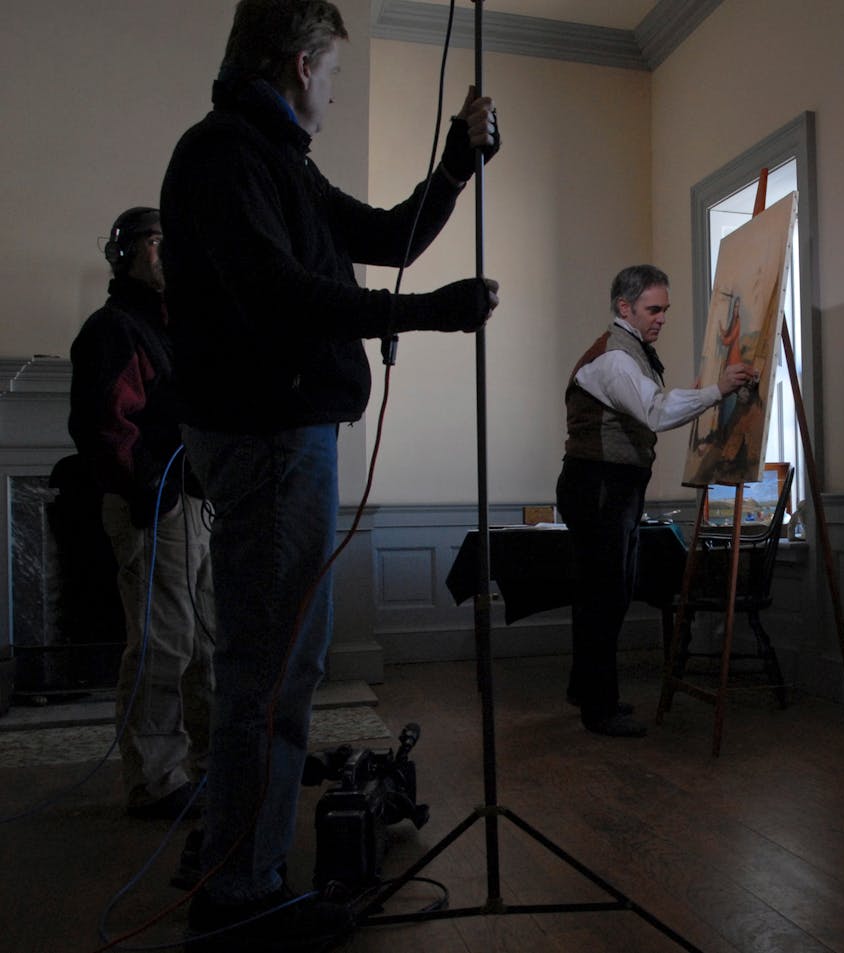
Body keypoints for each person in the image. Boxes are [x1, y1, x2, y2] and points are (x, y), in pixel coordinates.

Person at [158, 1, 501, 947]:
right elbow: (276, 291)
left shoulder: (275, 163)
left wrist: (457, 165)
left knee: (279, 666)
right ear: (304, 64)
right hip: (269, 441)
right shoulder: (228, 154)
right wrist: (425, 315)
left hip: (283, 438)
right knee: (268, 674)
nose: (338, 91)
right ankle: (240, 896)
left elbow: (389, 236)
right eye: (337, 74)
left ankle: (240, 865)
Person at [557, 265, 757, 738]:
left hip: (611, 486)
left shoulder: (633, 354)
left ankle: (586, 691)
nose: (661, 318)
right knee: (604, 596)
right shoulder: (615, 359)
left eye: (664, 309)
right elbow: (656, 410)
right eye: (654, 309)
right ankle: (598, 708)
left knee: (604, 594)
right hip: (600, 485)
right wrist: (717, 390)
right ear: (625, 308)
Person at [68, 206, 215, 821]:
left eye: (170, 241)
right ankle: (154, 781)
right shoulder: (114, 329)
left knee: (207, 642)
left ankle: (211, 766)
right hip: (155, 506)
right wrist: (153, 490)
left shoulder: (177, 326)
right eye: (155, 241)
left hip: (196, 504)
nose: (165, 251)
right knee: (163, 643)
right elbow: (104, 426)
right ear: (125, 253)